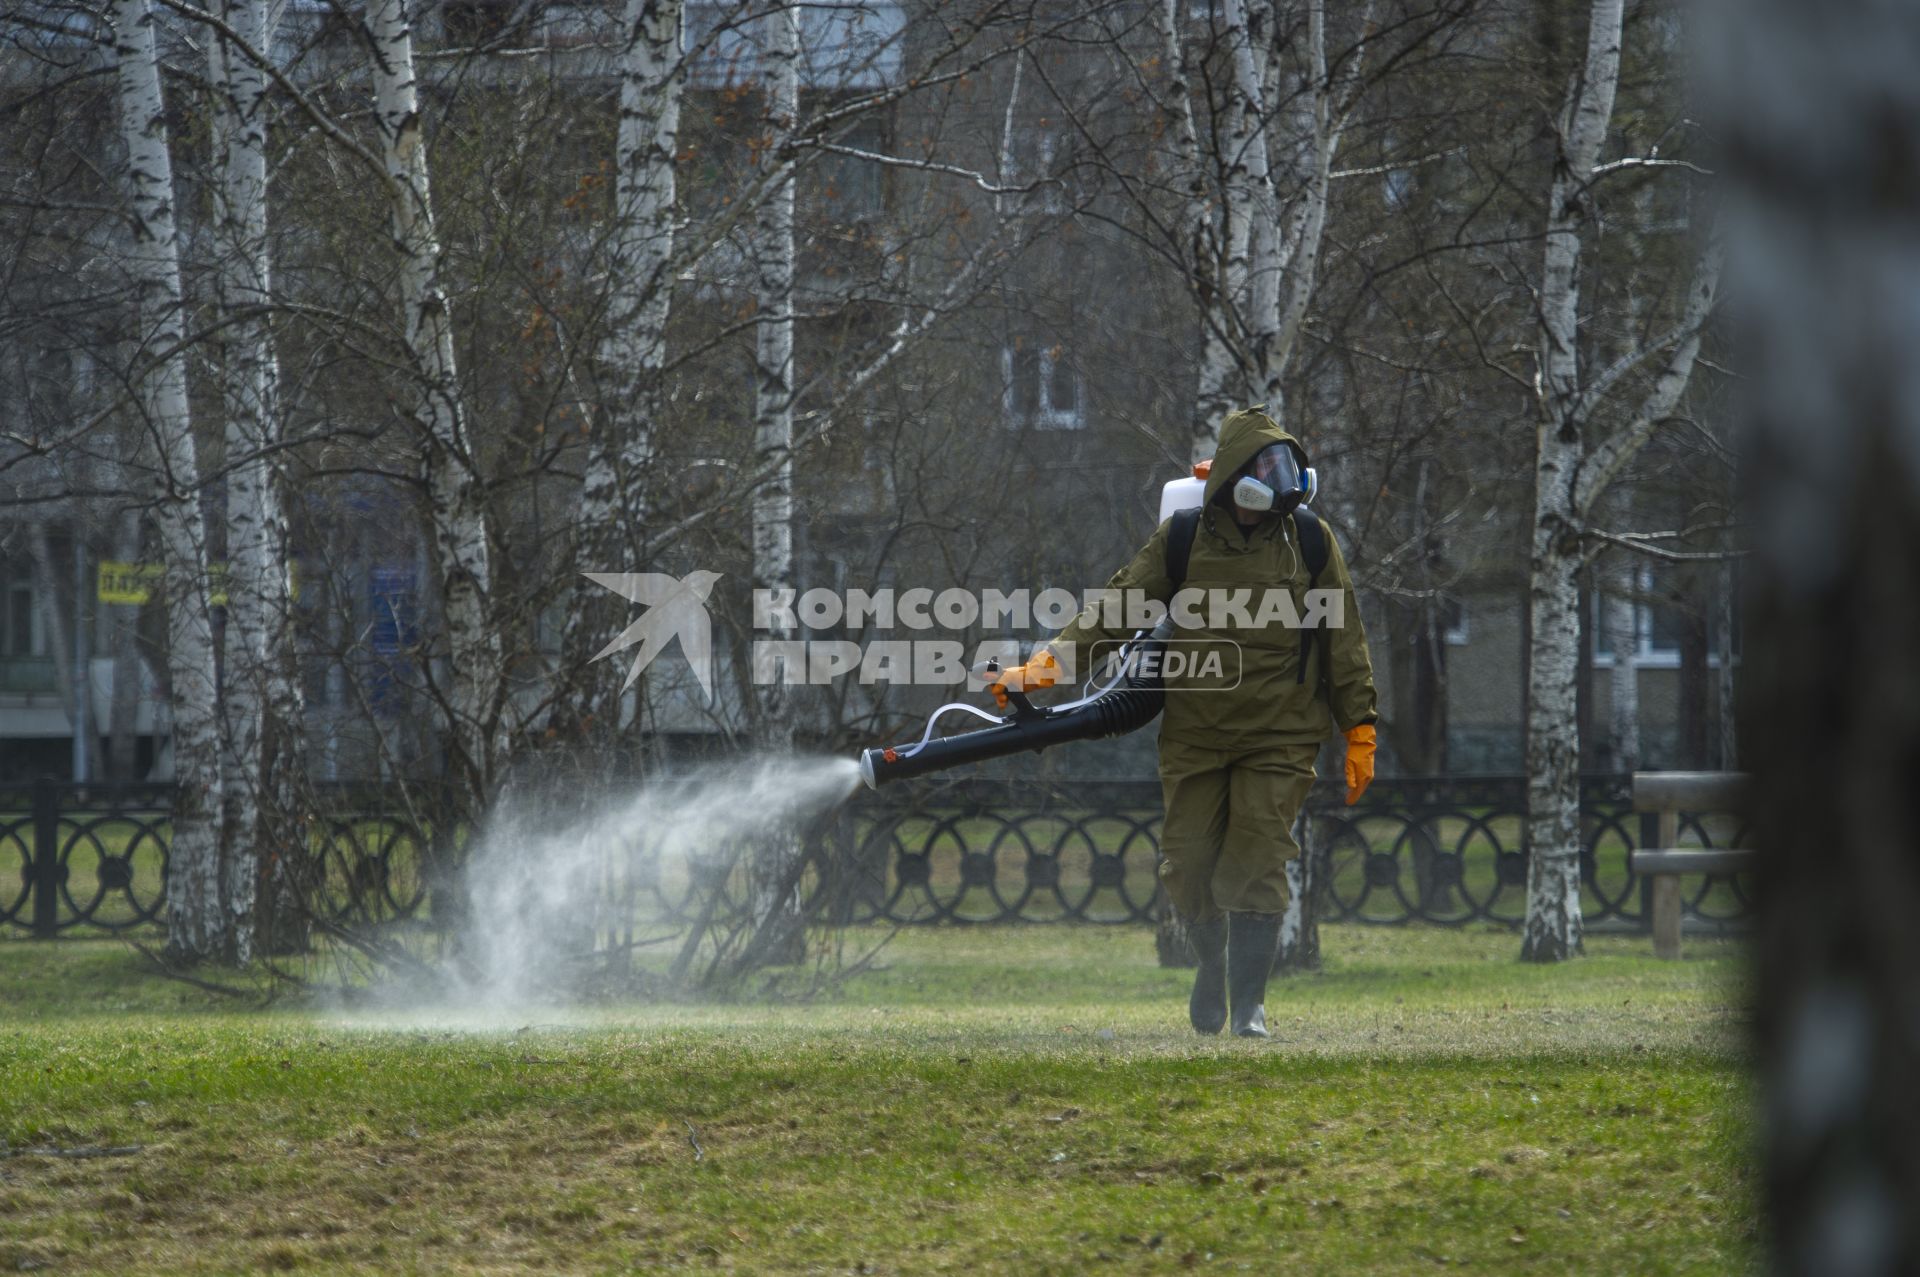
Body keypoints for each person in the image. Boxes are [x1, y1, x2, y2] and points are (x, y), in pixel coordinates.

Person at [994, 407, 1378, 1038]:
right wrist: (1045, 667)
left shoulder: (1309, 540)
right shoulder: (1182, 539)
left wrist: (1358, 726)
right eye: (1266, 466)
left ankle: (1249, 1005)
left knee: (1255, 861)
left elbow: (1345, 636)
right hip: (1197, 732)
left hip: (1280, 734)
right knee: (1188, 865)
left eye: (1285, 464)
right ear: (1234, 476)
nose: (1280, 479)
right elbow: (1116, 609)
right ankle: (1214, 963)